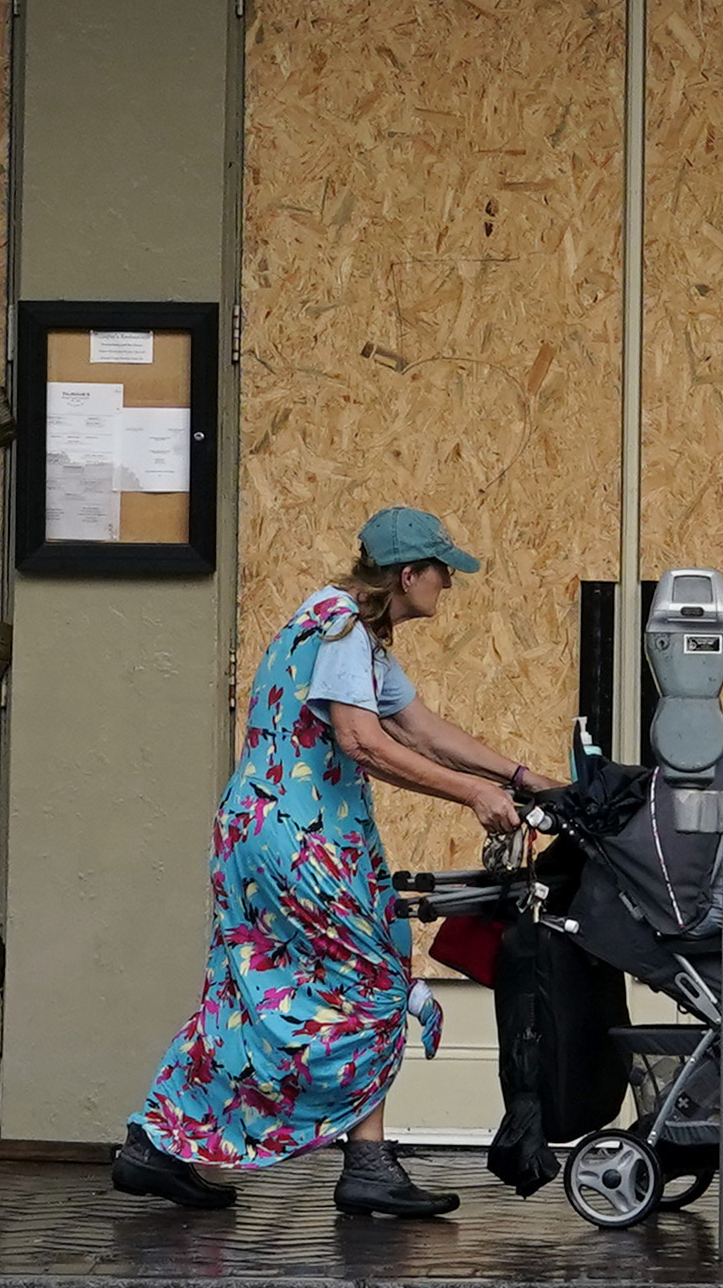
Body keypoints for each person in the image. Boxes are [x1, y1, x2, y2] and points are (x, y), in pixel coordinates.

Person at [112, 506, 546, 1222]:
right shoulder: (342, 625)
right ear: (409, 574)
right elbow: (362, 740)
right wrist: (472, 793)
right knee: (374, 974)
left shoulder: (349, 630)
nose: (449, 583)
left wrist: (524, 778)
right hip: (298, 836)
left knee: (253, 984)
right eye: (442, 571)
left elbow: (420, 727)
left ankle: (156, 1142)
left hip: (274, 831)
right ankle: (366, 1163)